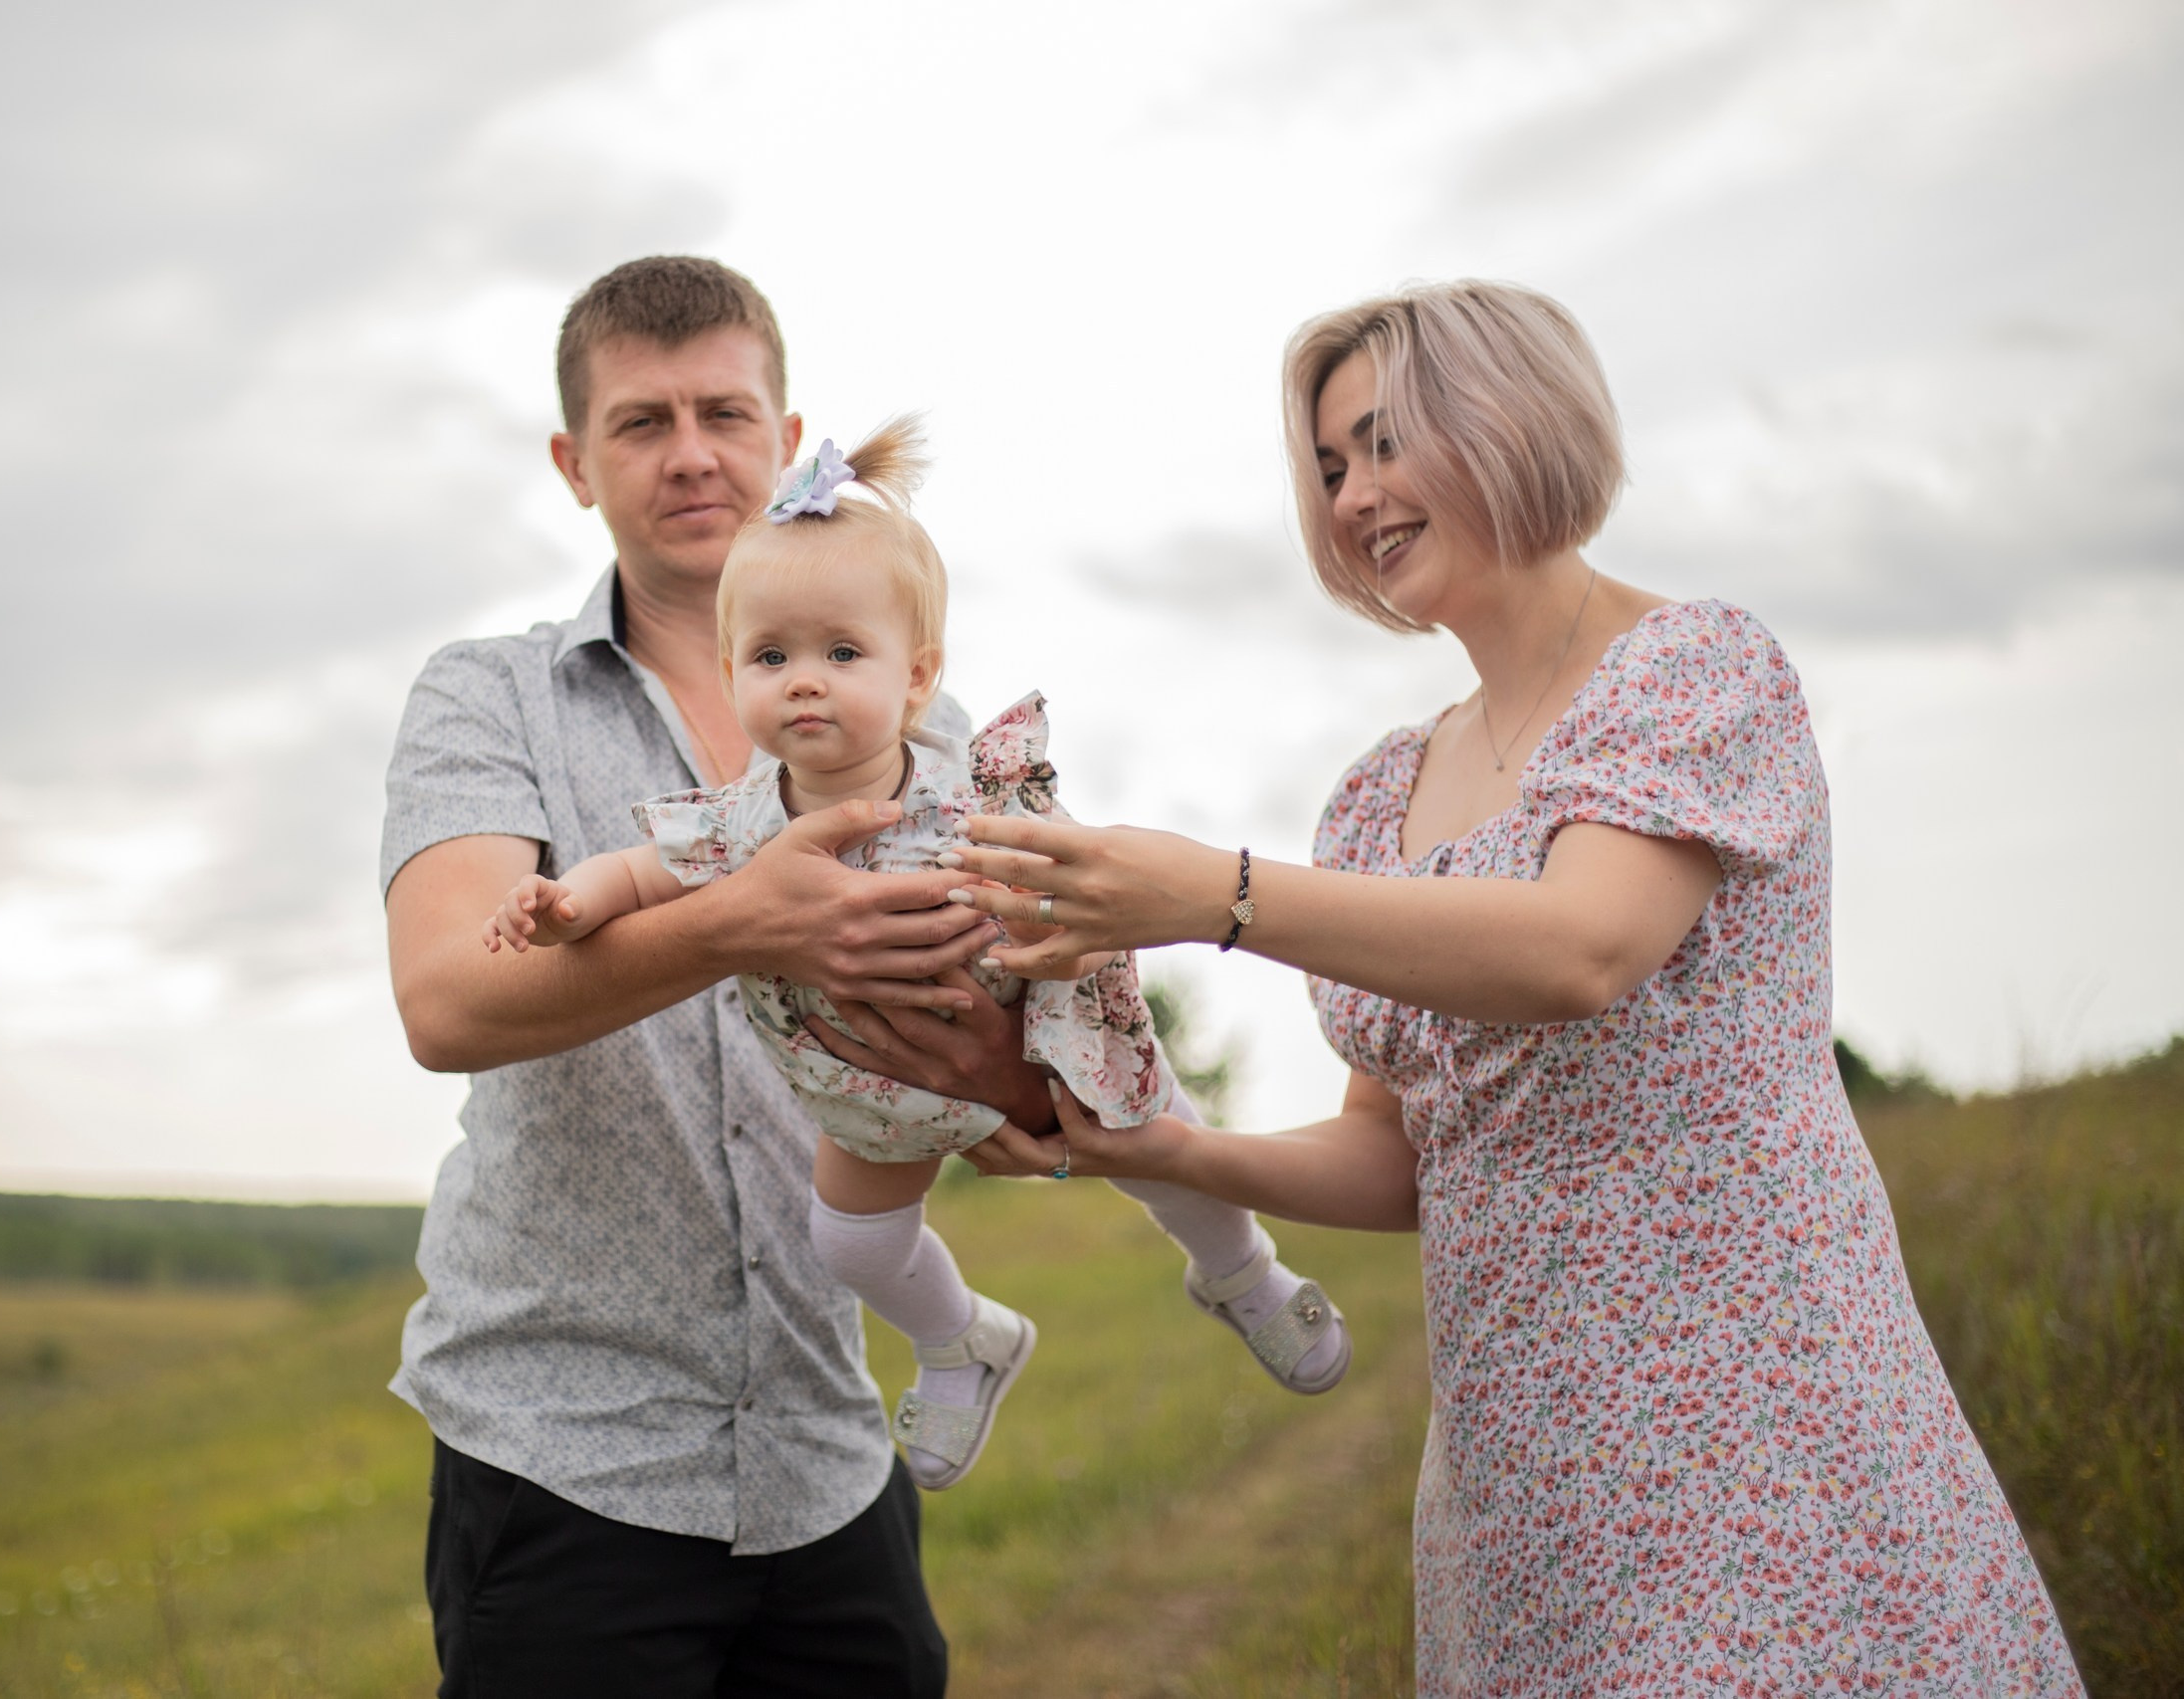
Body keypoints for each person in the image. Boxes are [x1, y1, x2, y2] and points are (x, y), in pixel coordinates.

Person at [939, 282, 2083, 1692]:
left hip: (1754, 1412)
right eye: (1330, 467)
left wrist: (1214, 897)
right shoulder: (1379, 793)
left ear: (1508, 419)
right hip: (1522, 1469)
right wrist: (1154, 1146)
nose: (1357, 493)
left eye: (1384, 441)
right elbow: (1403, 1146)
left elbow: (1579, 950)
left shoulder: (1692, 669)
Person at [485, 416, 1351, 1492]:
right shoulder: (738, 825)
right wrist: (565, 904)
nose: (804, 680)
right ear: (730, 672)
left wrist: (1068, 942)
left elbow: (1085, 874)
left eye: (841, 653)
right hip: (873, 1081)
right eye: (770, 656)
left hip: (1046, 1024)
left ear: (915, 676)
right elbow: (635, 876)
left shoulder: (975, 789)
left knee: (1166, 1144)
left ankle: (1240, 1272)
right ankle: (959, 1339)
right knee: (847, 1243)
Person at [382, 257, 1008, 1697]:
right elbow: (448, 1002)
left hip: (827, 1449)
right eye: (640, 422)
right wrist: (746, 919)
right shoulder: (490, 695)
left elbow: (974, 1010)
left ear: (789, 441)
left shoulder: (926, 723)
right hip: (563, 1455)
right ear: (573, 463)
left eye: (725, 411)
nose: (690, 454)